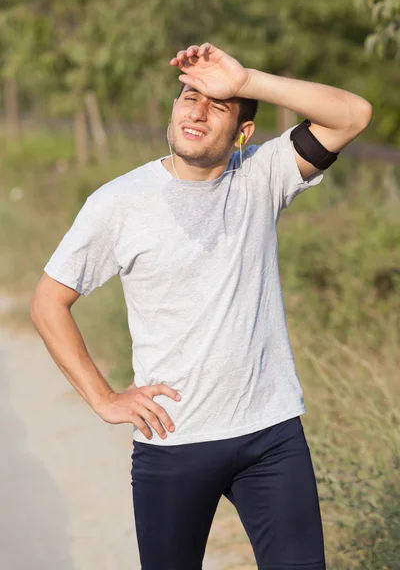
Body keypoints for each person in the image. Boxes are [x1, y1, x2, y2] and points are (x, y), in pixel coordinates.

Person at [30, 42, 372, 570]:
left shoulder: (262, 174)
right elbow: (49, 302)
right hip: (174, 442)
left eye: (218, 104)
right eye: (190, 96)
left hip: (271, 436)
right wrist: (102, 398)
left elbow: (353, 114)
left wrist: (247, 81)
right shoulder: (118, 203)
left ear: (243, 133)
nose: (197, 110)